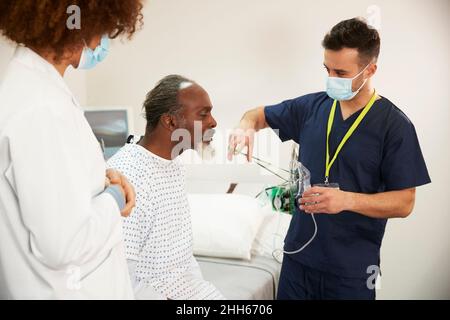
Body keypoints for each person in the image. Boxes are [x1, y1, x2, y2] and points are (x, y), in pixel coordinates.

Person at [227, 18, 431, 300]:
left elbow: (405, 202)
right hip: (298, 260)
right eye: (327, 69)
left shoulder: (394, 126)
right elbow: (257, 114)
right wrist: (245, 127)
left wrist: (347, 200)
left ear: (369, 69)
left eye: (341, 72)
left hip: (351, 272)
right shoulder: (312, 107)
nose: (331, 78)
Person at [0, 0, 143, 299]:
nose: (102, 39)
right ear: (83, 24)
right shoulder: (41, 107)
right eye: (103, 29)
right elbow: (64, 244)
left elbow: (54, 188)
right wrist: (115, 197)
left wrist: (102, 179)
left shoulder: (35, 90)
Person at [107, 75, 224, 300]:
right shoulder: (128, 176)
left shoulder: (173, 166)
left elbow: (181, 259)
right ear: (170, 122)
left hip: (188, 289)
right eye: (203, 113)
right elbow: (121, 276)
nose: (213, 122)